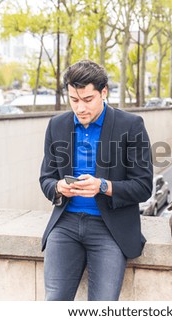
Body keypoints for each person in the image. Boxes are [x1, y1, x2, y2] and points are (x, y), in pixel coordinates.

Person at [39, 60, 153, 301]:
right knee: (54, 301)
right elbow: (46, 179)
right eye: (74, 99)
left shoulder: (131, 126)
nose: (80, 108)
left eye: (87, 99)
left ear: (103, 92)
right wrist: (58, 187)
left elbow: (144, 186)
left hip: (109, 228)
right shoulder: (57, 125)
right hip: (66, 225)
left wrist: (103, 186)